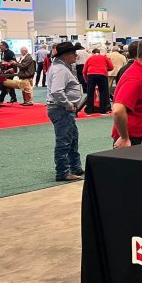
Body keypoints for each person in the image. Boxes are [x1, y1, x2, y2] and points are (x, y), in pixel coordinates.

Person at [45, 42, 84, 182]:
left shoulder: (60, 67)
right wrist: (67, 104)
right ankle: (63, 172)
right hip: (61, 109)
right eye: (73, 53)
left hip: (61, 109)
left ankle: (75, 168)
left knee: (71, 139)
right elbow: (56, 91)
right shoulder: (61, 69)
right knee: (65, 141)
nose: (76, 55)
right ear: (66, 55)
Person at [83, 49, 114, 114]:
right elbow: (111, 67)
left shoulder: (89, 58)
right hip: (102, 75)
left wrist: (86, 80)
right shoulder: (104, 57)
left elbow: (84, 71)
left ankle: (89, 110)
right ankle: (103, 110)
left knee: (90, 93)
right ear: (99, 52)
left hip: (91, 75)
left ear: (93, 53)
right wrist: (105, 69)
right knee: (103, 92)